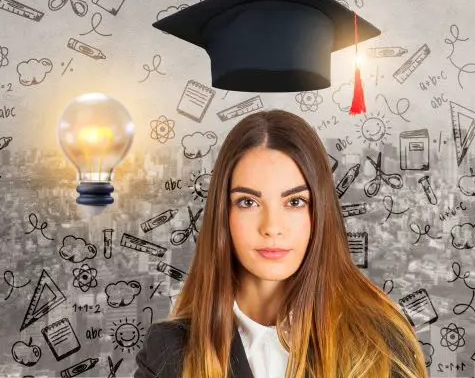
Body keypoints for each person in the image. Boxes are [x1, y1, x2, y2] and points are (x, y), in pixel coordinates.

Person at [134, 109, 427, 378]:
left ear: (320, 212)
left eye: (295, 201)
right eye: (248, 202)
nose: (272, 227)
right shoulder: (169, 352)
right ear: (223, 214)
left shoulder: (378, 344)